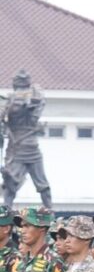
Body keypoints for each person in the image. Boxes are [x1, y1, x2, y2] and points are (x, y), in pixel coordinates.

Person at [0, 71, 52, 208]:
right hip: (24, 147)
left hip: (20, 147)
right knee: (39, 184)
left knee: (12, 186)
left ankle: (6, 212)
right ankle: (49, 211)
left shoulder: (12, 100)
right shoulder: (32, 96)